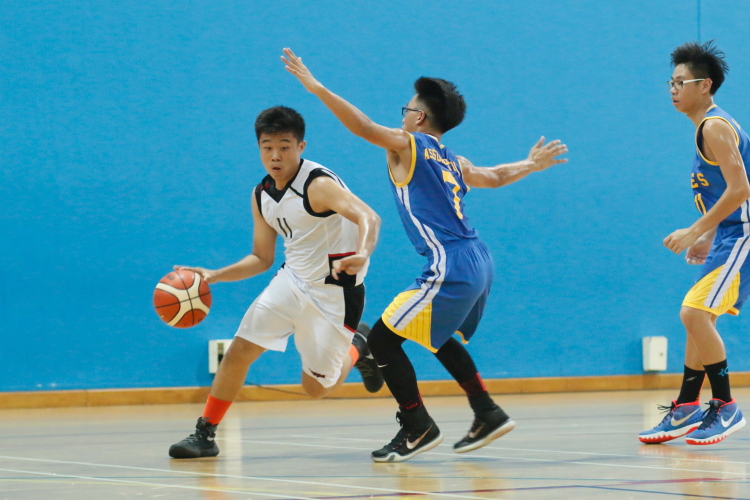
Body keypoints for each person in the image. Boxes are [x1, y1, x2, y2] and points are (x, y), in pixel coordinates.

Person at [282, 48, 567, 462]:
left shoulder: (409, 144)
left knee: (380, 340)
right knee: (435, 335)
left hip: (450, 261)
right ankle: (486, 411)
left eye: (406, 110)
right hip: (478, 258)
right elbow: (495, 176)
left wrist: (314, 86)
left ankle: (417, 426)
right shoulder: (453, 158)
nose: (401, 116)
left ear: (419, 118)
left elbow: (361, 126)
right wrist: (530, 164)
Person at [169, 106, 383, 459]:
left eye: (284, 146)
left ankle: (360, 341)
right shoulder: (262, 194)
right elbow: (262, 258)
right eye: (267, 147)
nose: (275, 155)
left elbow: (368, 216)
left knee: (315, 389)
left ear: (301, 146)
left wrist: (362, 252)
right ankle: (204, 433)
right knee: (239, 350)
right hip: (292, 281)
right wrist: (214, 275)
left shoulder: (319, 186)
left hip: (335, 293)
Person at [639, 41, 749, 446]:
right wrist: (707, 235)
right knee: (699, 319)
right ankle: (686, 405)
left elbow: (741, 189)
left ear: (705, 86)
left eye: (680, 82)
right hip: (729, 236)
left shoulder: (715, 126)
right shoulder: (707, 128)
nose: (673, 89)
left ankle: (725, 405)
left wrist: (693, 229)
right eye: (670, 82)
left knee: (694, 313)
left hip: (744, 236)